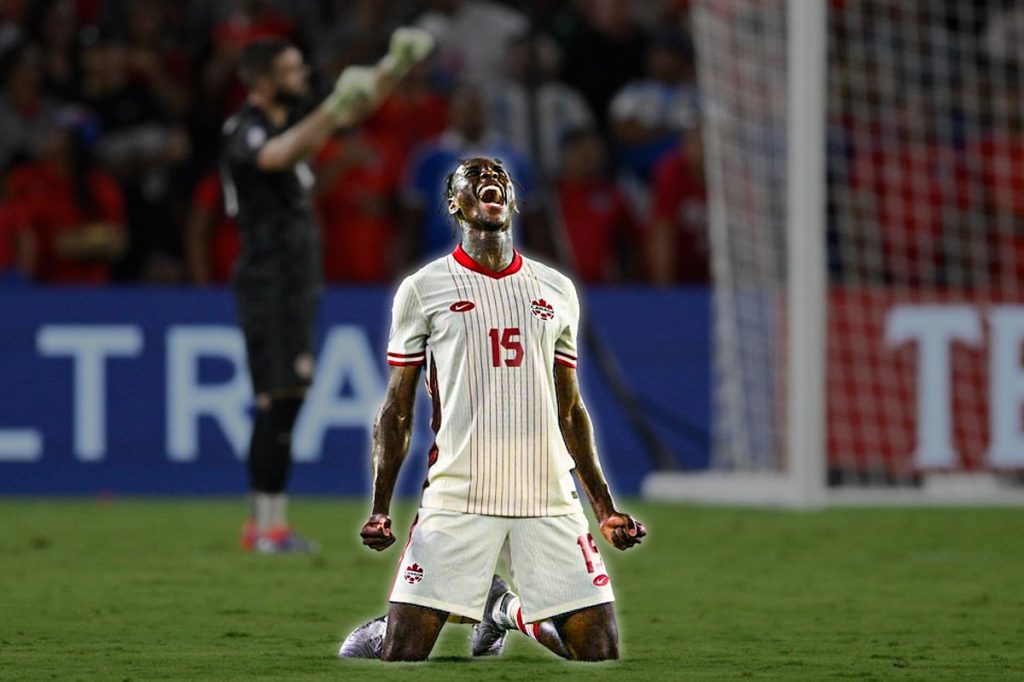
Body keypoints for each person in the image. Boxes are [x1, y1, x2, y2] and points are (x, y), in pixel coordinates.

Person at [342, 156, 647, 660]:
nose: (490, 180)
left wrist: (605, 508)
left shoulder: (556, 290)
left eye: (499, 176)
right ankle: (456, 607)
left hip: (546, 493)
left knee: (598, 650)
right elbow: (396, 411)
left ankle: (501, 609)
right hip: (460, 491)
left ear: (511, 201)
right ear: (454, 204)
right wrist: (379, 508)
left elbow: (571, 410)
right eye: (474, 176)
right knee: (402, 652)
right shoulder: (423, 288)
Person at [222, 28, 433, 553]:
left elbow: (345, 113)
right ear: (264, 81)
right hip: (268, 282)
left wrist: (393, 63)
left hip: (295, 282)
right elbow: (277, 155)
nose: (303, 78)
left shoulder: (291, 123)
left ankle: (267, 524)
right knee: (277, 401)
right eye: (292, 70)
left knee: (287, 400)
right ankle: (266, 527)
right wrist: (336, 103)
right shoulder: (244, 128)